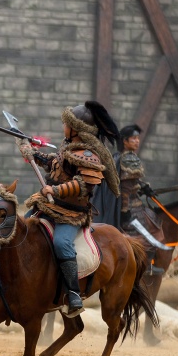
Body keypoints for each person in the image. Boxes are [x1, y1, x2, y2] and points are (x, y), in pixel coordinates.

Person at [19, 101, 120, 318]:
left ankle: (73, 294)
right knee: (21, 230)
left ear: (76, 129)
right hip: (47, 207)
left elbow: (83, 185)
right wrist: (32, 154)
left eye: (66, 123)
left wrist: (54, 191)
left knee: (61, 243)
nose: (63, 126)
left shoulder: (89, 155)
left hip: (71, 215)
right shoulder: (67, 149)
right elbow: (54, 164)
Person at [117, 124, 163, 275]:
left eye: (138, 138)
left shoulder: (129, 157)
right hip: (130, 207)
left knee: (153, 225)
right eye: (134, 138)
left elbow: (133, 182)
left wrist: (144, 187)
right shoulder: (127, 159)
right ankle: (140, 269)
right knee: (145, 240)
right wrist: (125, 211)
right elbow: (125, 188)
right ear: (125, 141)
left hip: (136, 205)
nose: (137, 141)